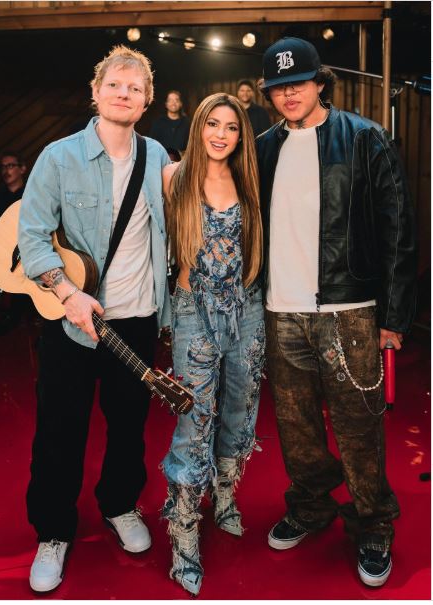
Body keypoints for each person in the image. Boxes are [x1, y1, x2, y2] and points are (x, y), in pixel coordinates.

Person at [256, 37, 417, 588]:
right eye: (279, 87)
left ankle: (373, 522)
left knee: (358, 427)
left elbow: (399, 229)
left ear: (320, 82)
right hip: (281, 309)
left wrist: (394, 317)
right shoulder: (263, 148)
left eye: (298, 82)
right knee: (295, 425)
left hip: (349, 310)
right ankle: (311, 505)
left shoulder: (365, 138)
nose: (289, 94)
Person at [18, 45, 170, 592]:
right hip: (72, 321)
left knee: (129, 426)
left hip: (137, 319)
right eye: (114, 85)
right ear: (96, 92)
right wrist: (67, 293)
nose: (124, 94)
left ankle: (120, 505)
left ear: (147, 100)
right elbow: (31, 238)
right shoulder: (58, 157)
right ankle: (53, 532)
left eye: (135, 88)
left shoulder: (158, 156)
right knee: (60, 429)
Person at [161, 92, 265, 596]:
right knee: (195, 416)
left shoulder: (248, 179)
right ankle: (184, 532)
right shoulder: (172, 177)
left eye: (231, 127)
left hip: (247, 307)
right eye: (213, 124)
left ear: (241, 135)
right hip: (192, 310)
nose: (221, 134)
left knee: (241, 406)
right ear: (198, 126)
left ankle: (224, 494)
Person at [0, 152, 28, 335]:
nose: (5, 171)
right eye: (3, 167)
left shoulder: (31, 194)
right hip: (0, 250)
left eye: (10, 166)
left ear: (22, 169)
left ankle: (15, 315)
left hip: (25, 250)